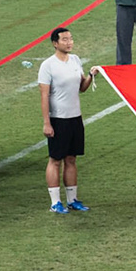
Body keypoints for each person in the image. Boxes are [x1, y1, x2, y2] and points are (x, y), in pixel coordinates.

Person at [38, 26, 91, 214]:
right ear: (55, 43)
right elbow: (44, 96)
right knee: (55, 160)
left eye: (71, 39)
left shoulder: (75, 60)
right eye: (65, 39)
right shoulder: (48, 65)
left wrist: (92, 76)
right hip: (58, 119)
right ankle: (55, 202)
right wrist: (47, 122)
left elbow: (82, 87)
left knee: (71, 159)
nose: (69, 42)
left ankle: (72, 199)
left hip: (75, 117)